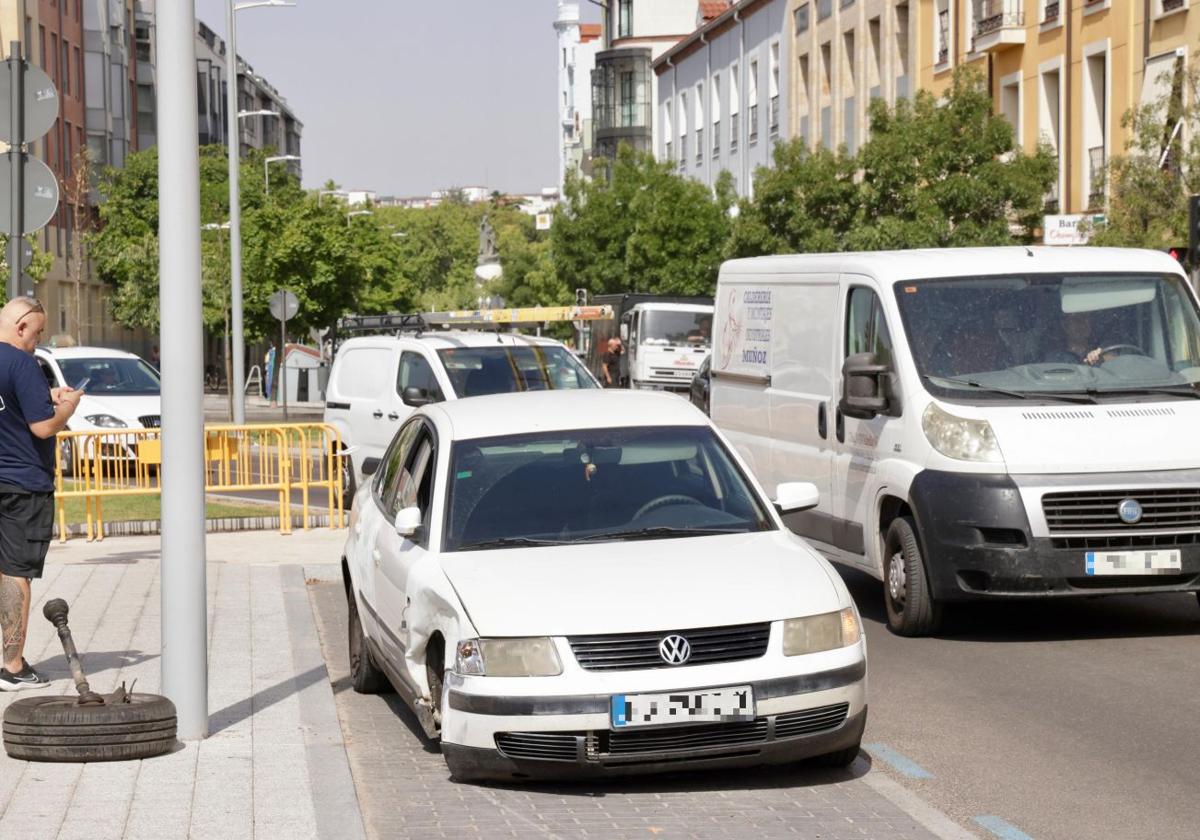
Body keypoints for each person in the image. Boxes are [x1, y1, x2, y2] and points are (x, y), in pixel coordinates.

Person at [0, 298, 81, 690]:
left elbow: (12, 406)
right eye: (37, 332)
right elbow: (42, 429)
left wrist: (45, 396)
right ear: (21, 326)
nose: (39, 339)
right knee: (16, 573)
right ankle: (12, 667)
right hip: (23, 486)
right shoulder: (21, 363)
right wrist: (66, 407)